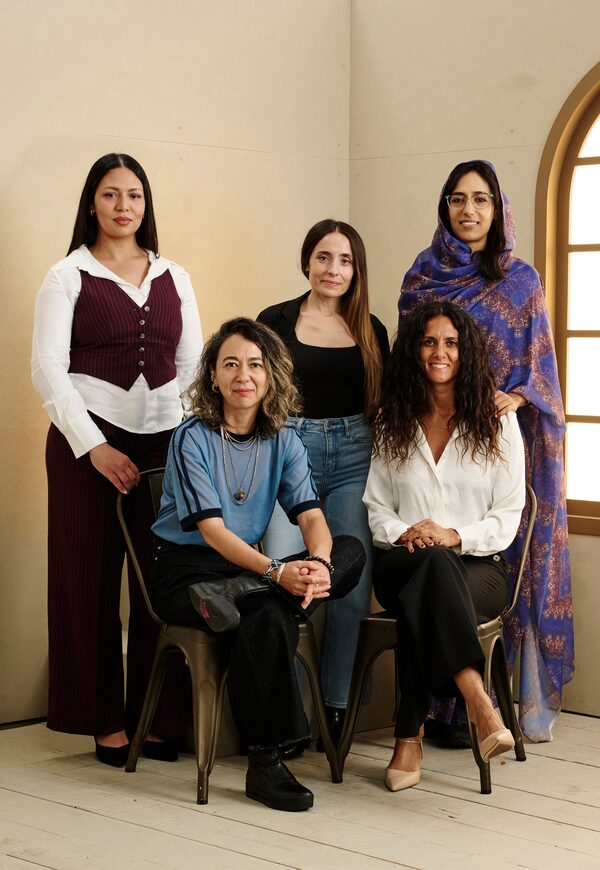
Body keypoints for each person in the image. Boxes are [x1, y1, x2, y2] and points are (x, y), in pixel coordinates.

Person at [149, 317, 365, 811]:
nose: (243, 375)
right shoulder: (191, 437)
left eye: (255, 364)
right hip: (186, 574)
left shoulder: (283, 439)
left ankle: (247, 594)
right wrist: (276, 574)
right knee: (267, 611)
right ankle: (266, 765)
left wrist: (318, 565)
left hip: (240, 578)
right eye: (230, 364)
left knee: (349, 550)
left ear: (271, 376)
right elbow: (212, 532)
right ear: (213, 376)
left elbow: (311, 516)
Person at [31, 153, 203, 766]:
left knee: (163, 577)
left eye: (134, 195)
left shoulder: (175, 276)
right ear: (92, 203)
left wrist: (183, 436)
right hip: (86, 440)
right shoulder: (67, 275)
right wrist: (95, 446)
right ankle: (102, 720)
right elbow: (47, 369)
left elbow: (193, 365)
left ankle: (157, 718)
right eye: (110, 194)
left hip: (164, 441)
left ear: (145, 205)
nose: (123, 206)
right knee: (87, 580)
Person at [398, 160, 572, 743]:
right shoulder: (420, 278)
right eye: (457, 199)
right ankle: (446, 711)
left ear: (498, 209)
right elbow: (408, 365)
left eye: (481, 199)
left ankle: (481, 702)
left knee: (489, 565)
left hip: (495, 444)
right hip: (430, 439)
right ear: (444, 207)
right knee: (431, 553)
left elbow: (542, 371)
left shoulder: (519, 280)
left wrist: (515, 396)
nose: (468, 210)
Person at [363, 301, 525, 791]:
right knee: (429, 568)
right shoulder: (393, 419)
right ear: (414, 351)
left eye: (451, 343)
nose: (440, 352)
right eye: (429, 341)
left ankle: (407, 738)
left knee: (429, 590)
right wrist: (408, 533)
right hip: (402, 560)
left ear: (466, 351)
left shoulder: (497, 421)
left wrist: (454, 536)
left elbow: (509, 514)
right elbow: (377, 508)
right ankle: (478, 700)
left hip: (479, 568)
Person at [257, 219, 388, 746]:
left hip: (356, 456)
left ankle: (337, 707)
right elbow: (257, 395)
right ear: (307, 262)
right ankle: (287, 717)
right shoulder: (275, 322)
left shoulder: (371, 329)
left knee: (348, 582)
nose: (334, 269)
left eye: (345, 260)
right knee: (284, 579)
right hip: (291, 453)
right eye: (324, 257)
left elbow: (383, 406)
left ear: (357, 270)